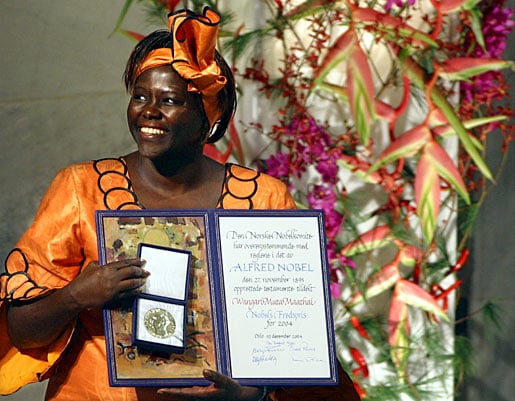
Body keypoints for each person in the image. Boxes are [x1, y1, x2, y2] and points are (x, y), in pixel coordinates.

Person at [0, 6, 360, 401]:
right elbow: (23, 330)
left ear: (210, 117)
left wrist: (250, 395)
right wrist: (76, 296)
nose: (148, 111)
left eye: (169, 100)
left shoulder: (263, 197)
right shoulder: (80, 188)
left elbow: (290, 333)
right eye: (140, 96)